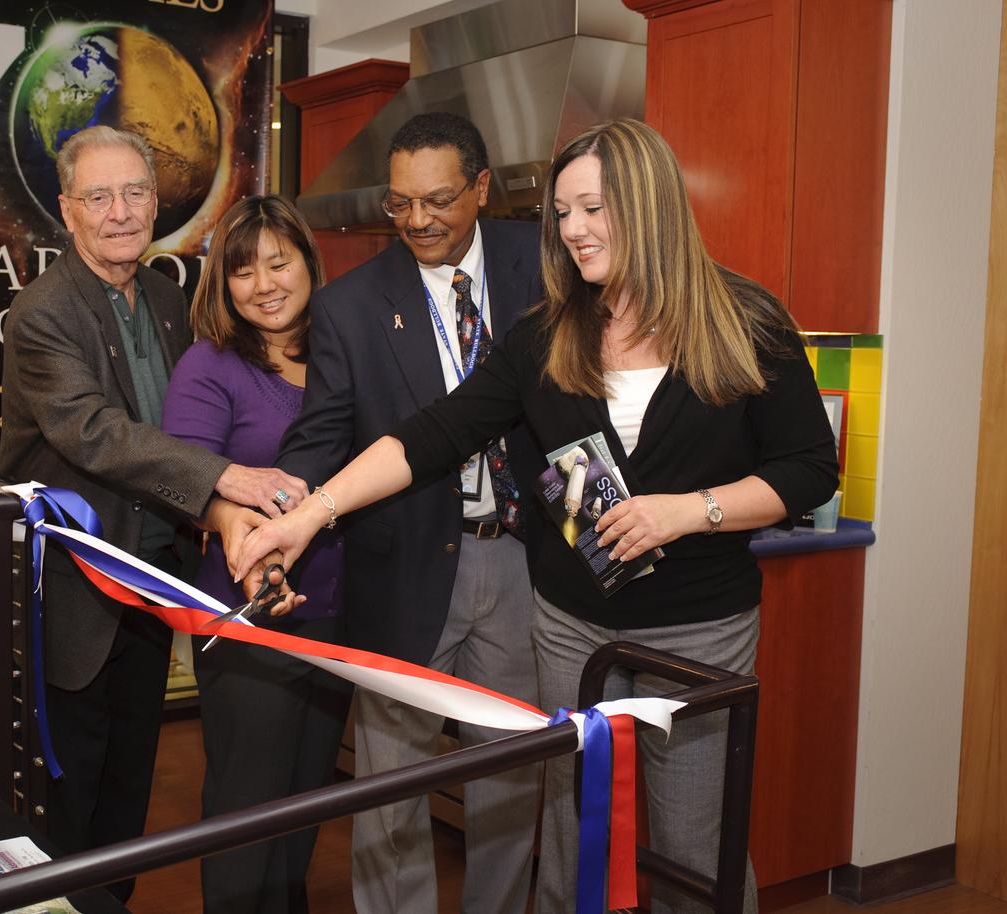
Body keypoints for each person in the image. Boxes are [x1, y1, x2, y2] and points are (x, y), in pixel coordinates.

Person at [236, 117, 840, 914]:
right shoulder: (550, 331)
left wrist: (690, 512)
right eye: (561, 213)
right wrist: (307, 516)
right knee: (571, 836)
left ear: (648, 203)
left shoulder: (746, 321)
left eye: (592, 209)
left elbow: (807, 471)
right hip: (570, 628)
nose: (573, 231)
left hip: (700, 630)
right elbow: (432, 435)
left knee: (698, 844)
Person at [0, 126, 307, 902]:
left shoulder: (170, 297)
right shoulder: (42, 313)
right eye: (99, 197)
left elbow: (185, 424)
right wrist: (230, 478)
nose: (121, 212)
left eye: (135, 192)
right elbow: (94, 433)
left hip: (149, 584)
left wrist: (222, 510)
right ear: (67, 211)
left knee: (129, 786)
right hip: (67, 594)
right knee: (61, 801)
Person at [272, 111, 543, 914]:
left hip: (525, 563)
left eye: (438, 200)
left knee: (514, 773)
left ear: (483, 189)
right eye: (399, 204)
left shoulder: (548, 268)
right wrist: (285, 506)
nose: (417, 221)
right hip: (402, 568)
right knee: (391, 786)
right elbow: (320, 436)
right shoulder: (352, 305)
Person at [160, 195, 350, 913]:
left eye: (279, 262)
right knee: (248, 808)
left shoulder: (342, 354)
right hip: (247, 621)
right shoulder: (211, 365)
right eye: (243, 271)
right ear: (222, 284)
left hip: (338, 618)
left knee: (304, 802)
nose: (264, 284)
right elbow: (185, 475)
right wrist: (236, 521)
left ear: (308, 261)